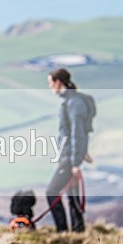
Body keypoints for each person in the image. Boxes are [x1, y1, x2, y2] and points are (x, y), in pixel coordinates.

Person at [46, 67, 95, 232]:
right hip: (68, 154)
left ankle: (62, 232)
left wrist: (75, 162)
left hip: (69, 156)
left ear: (58, 82)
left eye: (50, 83)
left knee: (52, 191)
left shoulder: (74, 103)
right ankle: (78, 231)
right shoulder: (70, 102)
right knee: (72, 194)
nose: (50, 87)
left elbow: (77, 133)